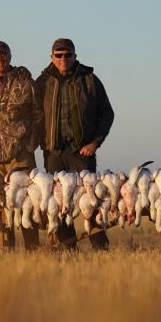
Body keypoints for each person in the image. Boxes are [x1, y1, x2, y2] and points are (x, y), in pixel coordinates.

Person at [35, 38, 115, 251]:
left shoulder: (89, 80)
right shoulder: (42, 82)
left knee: (92, 200)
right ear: (51, 57)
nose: (63, 59)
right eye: (58, 55)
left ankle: (100, 248)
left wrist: (94, 143)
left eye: (67, 55)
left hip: (81, 153)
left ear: (75, 56)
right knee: (60, 203)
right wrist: (36, 142)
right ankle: (68, 248)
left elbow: (107, 113)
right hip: (53, 152)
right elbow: (32, 115)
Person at [0, 41, 43, 250]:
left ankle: (32, 249)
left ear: (10, 56)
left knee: (25, 202)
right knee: (0, 205)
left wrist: (30, 147)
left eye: (3, 55)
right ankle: (6, 250)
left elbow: (38, 116)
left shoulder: (25, 83)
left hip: (20, 155)